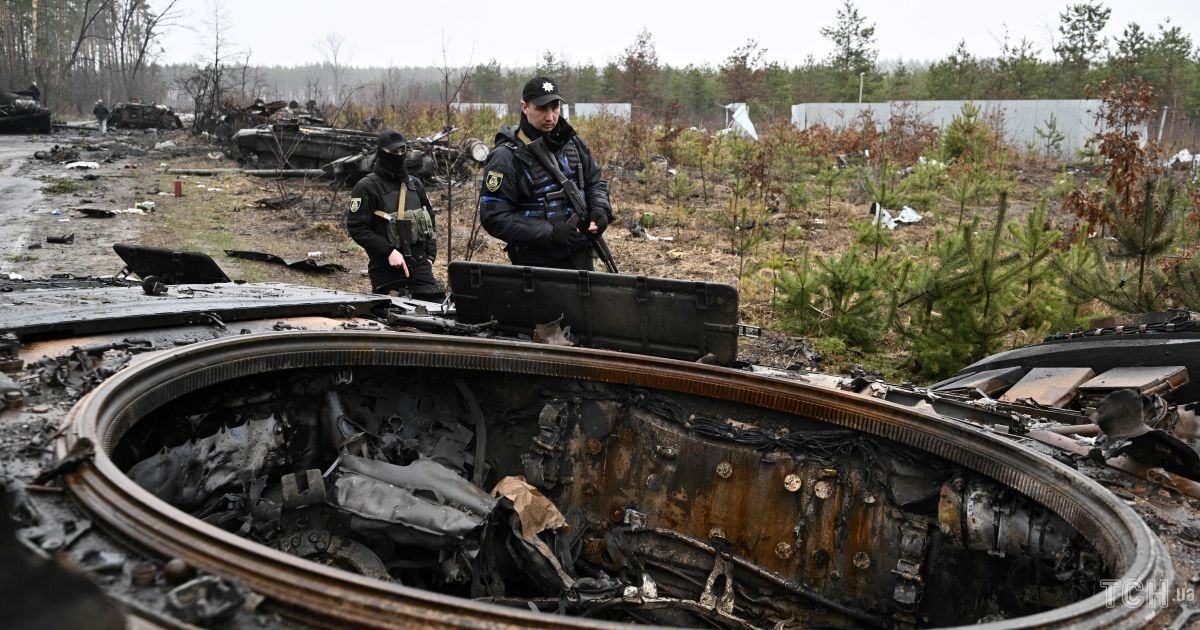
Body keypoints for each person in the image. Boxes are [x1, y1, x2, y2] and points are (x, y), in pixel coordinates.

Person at [478, 76, 612, 271]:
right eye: (541, 109)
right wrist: (549, 232)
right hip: (537, 267)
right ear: (524, 107)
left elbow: (595, 182)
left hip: (582, 255)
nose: (550, 117)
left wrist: (600, 209)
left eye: (555, 107)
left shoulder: (573, 144)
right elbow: (494, 217)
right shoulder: (505, 157)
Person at [346, 129, 445, 301]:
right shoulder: (366, 187)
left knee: (436, 310)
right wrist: (388, 251)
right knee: (391, 320)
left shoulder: (416, 185)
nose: (399, 155)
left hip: (420, 263)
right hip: (385, 266)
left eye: (402, 151)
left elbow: (430, 222)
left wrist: (430, 256)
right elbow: (357, 227)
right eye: (393, 152)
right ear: (381, 153)